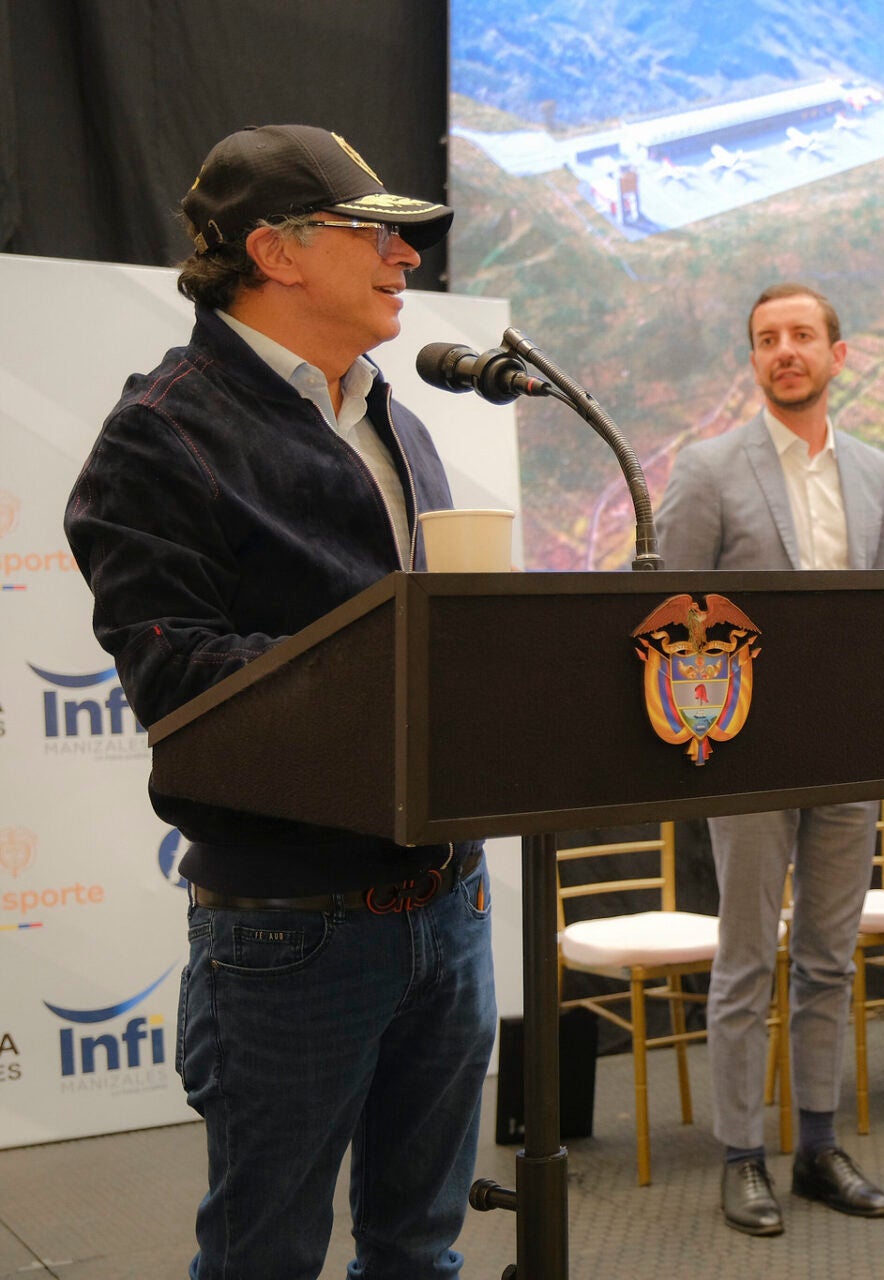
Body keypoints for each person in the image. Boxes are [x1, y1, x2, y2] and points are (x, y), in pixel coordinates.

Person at [63, 125, 494, 1276]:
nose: (407, 257)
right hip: (297, 924)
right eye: (379, 233)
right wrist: (397, 671)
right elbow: (179, 676)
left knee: (422, 1246)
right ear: (278, 252)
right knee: (267, 1253)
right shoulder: (159, 434)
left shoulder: (388, 412)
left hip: (449, 899)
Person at [657, 282, 884, 1236]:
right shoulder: (709, 468)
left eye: (802, 336)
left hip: (846, 746)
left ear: (840, 354)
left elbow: (873, 610)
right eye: (767, 339)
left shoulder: (876, 473)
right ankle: (741, 1156)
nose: (784, 350)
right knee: (747, 956)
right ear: (753, 361)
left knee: (831, 959)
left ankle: (818, 1146)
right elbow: (672, 612)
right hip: (744, 749)